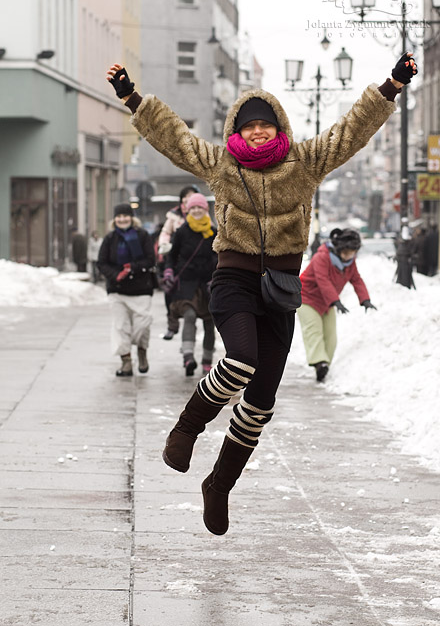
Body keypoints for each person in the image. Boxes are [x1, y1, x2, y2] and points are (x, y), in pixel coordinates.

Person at [106, 51, 417, 535]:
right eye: (248, 126)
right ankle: (187, 428)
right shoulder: (222, 163)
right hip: (233, 277)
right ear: (237, 128)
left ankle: (219, 485)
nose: (256, 133)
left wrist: (391, 86)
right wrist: (132, 97)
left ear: (278, 127)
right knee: (241, 360)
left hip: (283, 286)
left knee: (262, 401)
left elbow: (351, 130)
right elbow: (174, 138)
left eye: (264, 126)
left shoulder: (306, 161)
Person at [297, 228, 377, 382]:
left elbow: (357, 280)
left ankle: (325, 366)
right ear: (339, 249)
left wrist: (365, 299)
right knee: (313, 331)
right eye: (346, 252)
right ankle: (319, 363)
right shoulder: (322, 257)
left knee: (331, 336)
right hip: (307, 298)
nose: (349, 256)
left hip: (327, 302)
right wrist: (336, 301)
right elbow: (323, 280)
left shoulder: (349, 263)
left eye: (352, 252)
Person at [162, 192, 217, 376]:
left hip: (207, 285)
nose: (196, 210)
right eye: (192, 208)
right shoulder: (182, 232)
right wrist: (169, 270)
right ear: (188, 210)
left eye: (199, 207)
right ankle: (188, 357)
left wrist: (216, 277)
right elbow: (172, 256)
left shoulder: (213, 232)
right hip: (186, 284)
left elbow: (218, 258)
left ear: (205, 209)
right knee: (190, 315)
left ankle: (207, 361)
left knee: (210, 323)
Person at [97, 203, 155, 377]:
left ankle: (142, 351)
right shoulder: (110, 239)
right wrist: (115, 275)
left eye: (125, 216)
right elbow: (101, 263)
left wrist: (132, 268)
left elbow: (150, 260)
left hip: (141, 288)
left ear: (132, 217)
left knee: (142, 325)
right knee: (120, 327)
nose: (122, 219)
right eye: (119, 216)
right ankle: (126, 362)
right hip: (117, 290)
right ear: (114, 219)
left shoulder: (143, 236)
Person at [158, 185, 199, 340]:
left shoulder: (201, 213)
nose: (188, 199)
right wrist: (164, 246)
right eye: (185, 196)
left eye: (192, 195)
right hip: (176, 258)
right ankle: (172, 324)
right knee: (170, 290)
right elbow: (165, 233)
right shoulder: (174, 216)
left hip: (195, 260)